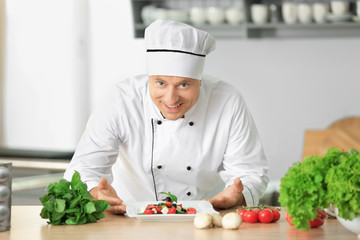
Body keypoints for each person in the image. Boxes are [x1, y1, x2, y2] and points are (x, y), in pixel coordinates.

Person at [64, 19, 269, 214]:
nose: (171, 99)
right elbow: (84, 169)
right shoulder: (122, 100)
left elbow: (250, 172)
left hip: (203, 216)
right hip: (128, 216)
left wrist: (235, 196)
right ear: (149, 78)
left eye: (183, 84)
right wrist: (96, 193)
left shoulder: (227, 101)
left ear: (199, 81)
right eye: (160, 83)